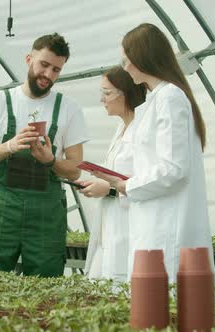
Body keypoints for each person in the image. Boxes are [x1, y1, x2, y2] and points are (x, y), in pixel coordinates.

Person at [91, 23, 215, 283]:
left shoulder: (170, 97)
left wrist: (126, 184)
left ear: (143, 58)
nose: (124, 68)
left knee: (163, 308)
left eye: (126, 60)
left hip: (166, 225)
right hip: (150, 222)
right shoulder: (155, 100)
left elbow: (174, 169)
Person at [0, 33, 89, 277]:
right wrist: (8, 146)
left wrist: (50, 161)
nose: (48, 75)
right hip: (2, 210)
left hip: (46, 215)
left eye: (56, 70)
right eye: (44, 65)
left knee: (46, 291)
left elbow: (76, 169)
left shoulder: (69, 109)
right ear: (28, 59)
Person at [78, 66, 146, 282]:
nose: (102, 100)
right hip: (111, 224)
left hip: (130, 226)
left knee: (123, 285)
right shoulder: (120, 129)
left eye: (107, 93)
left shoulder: (143, 131)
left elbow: (148, 181)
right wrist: (100, 182)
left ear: (126, 93)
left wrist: (107, 188)